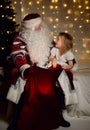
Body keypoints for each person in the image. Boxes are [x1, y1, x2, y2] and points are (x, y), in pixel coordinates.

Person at [7, 14, 70, 130]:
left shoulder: (45, 35)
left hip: (47, 67)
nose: (38, 28)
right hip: (31, 67)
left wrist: (55, 60)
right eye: (35, 26)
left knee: (60, 81)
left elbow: (54, 51)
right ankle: (16, 120)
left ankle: (58, 115)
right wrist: (24, 67)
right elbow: (17, 55)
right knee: (24, 86)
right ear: (28, 28)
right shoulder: (20, 37)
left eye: (39, 25)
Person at [49, 32, 78, 106]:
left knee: (63, 76)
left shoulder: (68, 53)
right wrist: (53, 60)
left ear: (64, 44)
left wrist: (67, 67)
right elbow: (51, 57)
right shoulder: (55, 49)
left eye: (58, 40)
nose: (56, 41)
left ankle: (67, 95)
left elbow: (71, 64)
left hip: (63, 65)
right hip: (56, 63)